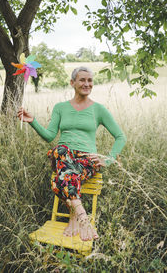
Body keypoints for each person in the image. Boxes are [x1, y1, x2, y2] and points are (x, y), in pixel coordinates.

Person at [17, 66, 126, 242]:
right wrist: (33, 121)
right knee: (62, 150)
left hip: (86, 160)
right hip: (63, 155)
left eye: (90, 80)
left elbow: (121, 137)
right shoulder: (60, 108)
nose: (87, 84)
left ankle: (74, 216)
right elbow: (50, 136)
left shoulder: (98, 109)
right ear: (72, 83)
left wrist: (108, 159)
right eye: (82, 80)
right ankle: (83, 217)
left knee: (61, 179)